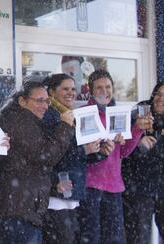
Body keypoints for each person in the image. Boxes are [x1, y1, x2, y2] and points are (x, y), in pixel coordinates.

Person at [0, 80, 75, 243]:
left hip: (19, 209)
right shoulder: (21, 122)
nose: (45, 106)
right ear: (22, 101)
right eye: (39, 100)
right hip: (18, 211)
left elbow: (30, 168)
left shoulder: (26, 121)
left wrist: (53, 187)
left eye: (47, 101)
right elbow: (45, 156)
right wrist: (65, 127)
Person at [77, 69, 152, 244]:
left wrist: (138, 129)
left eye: (108, 86)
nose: (104, 91)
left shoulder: (119, 114)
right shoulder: (83, 113)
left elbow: (124, 152)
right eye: (99, 87)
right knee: (90, 238)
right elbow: (78, 153)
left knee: (114, 239)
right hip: (89, 186)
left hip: (114, 186)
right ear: (91, 90)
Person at [122, 80, 164, 244]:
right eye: (159, 94)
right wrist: (137, 142)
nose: (161, 99)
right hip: (138, 187)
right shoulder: (139, 113)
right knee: (138, 238)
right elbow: (121, 147)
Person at [41, 73, 106, 244]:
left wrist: (100, 151)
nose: (70, 93)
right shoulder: (49, 117)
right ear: (52, 93)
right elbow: (50, 156)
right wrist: (83, 151)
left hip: (73, 194)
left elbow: (79, 157)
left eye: (73, 89)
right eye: (65, 89)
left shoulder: (72, 115)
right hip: (56, 197)